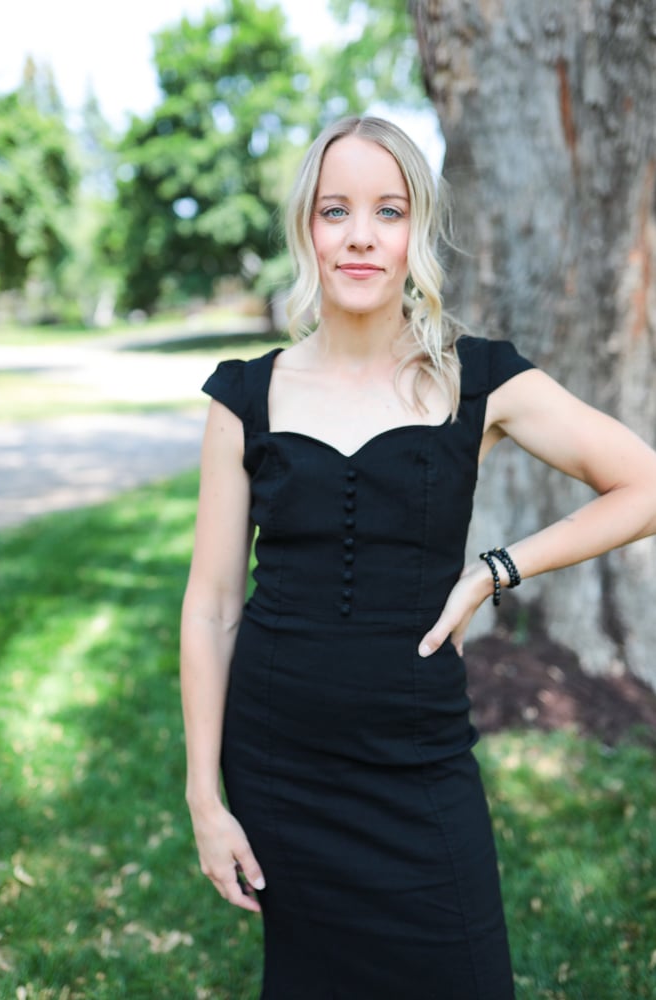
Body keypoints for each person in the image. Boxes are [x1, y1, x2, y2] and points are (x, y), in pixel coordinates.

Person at [180, 116, 656, 1000]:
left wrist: (492, 571)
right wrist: (205, 801)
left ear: (415, 231)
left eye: (386, 210)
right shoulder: (244, 395)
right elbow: (210, 608)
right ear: (306, 231)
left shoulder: (478, 380)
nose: (360, 234)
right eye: (335, 211)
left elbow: (643, 486)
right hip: (282, 763)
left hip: (419, 761)